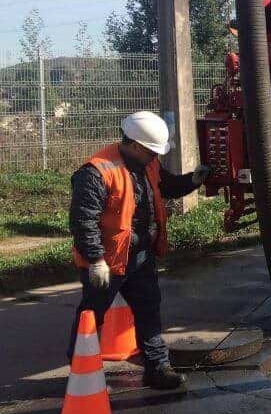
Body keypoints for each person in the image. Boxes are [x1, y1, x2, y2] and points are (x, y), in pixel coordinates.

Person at [68, 111, 210, 390]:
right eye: (151, 151)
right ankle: (81, 375)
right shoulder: (96, 172)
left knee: (148, 311)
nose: (154, 156)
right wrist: (96, 260)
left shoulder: (148, 164)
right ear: (135, 145)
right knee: (91, 316)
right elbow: (83, 220)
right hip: (107, 262)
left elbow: (165, 186)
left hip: (140, 257)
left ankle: (157, 369)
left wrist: (193, 180)